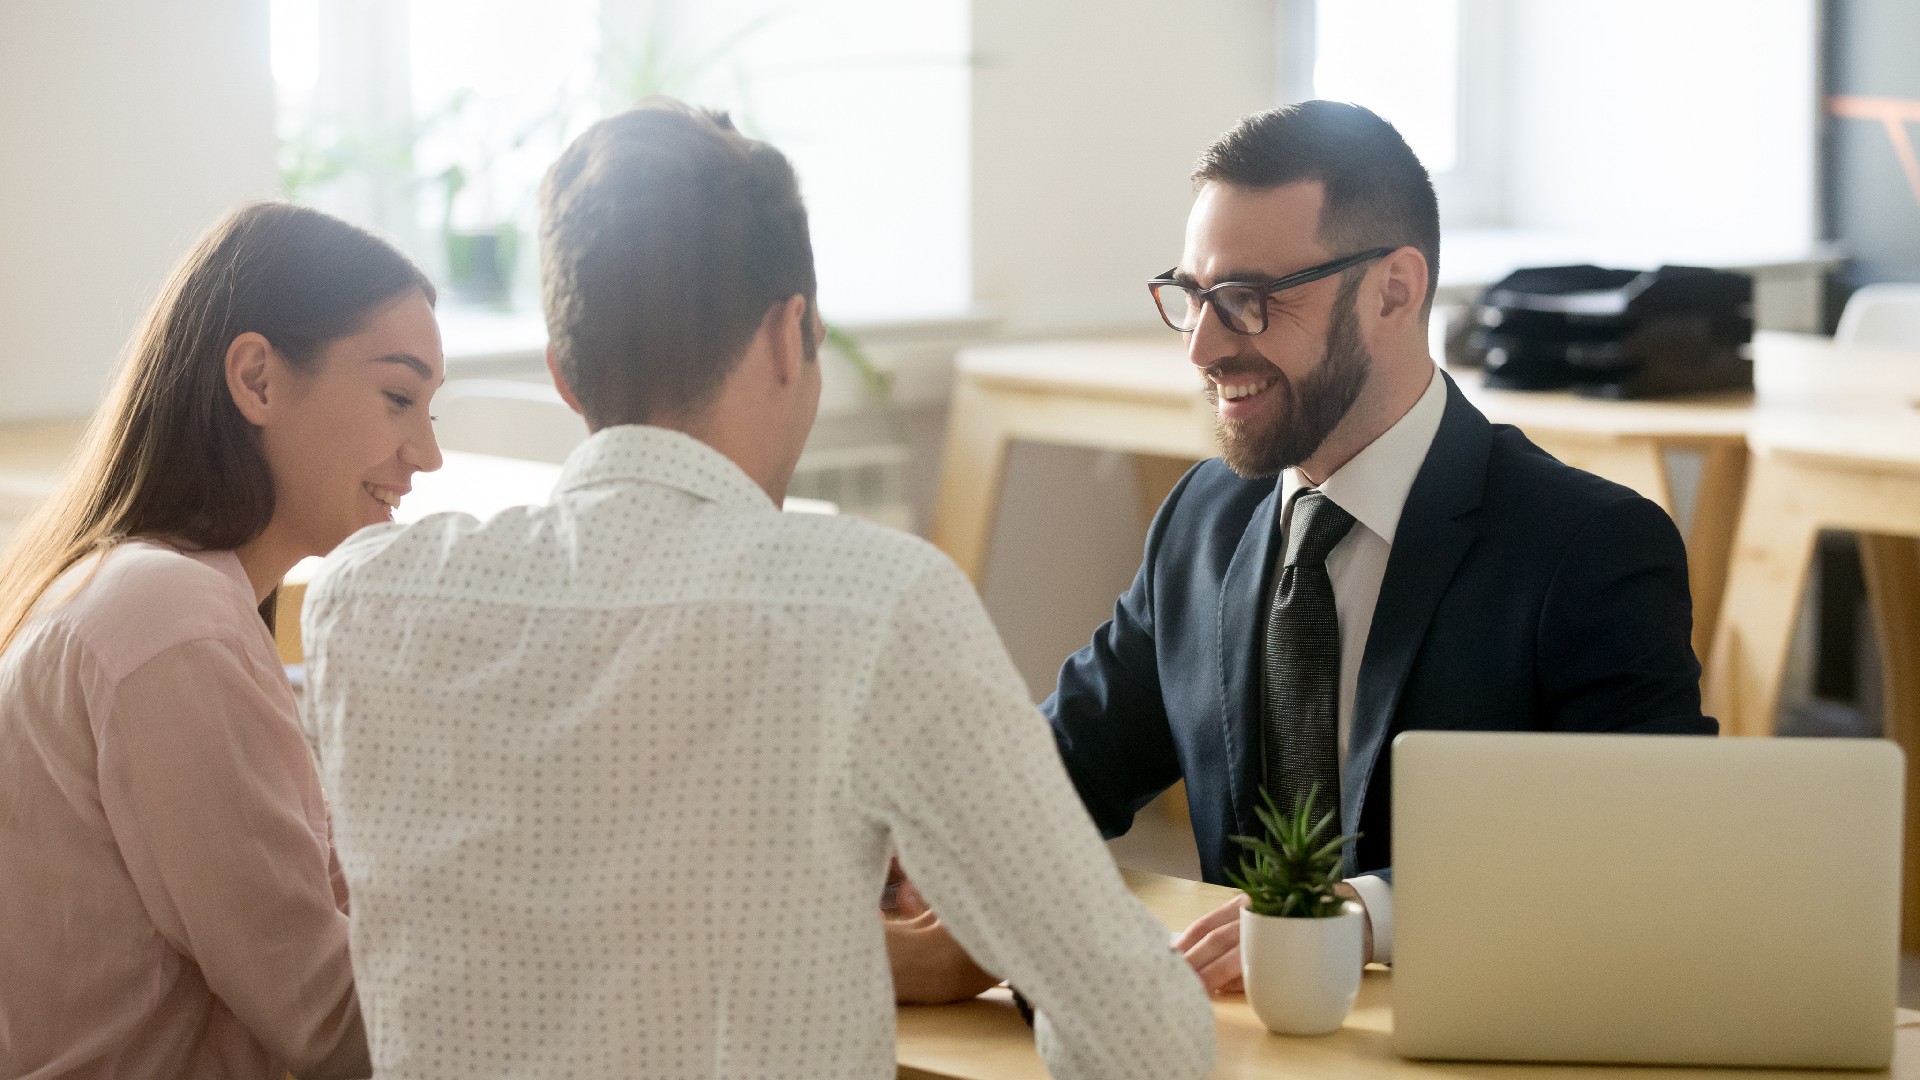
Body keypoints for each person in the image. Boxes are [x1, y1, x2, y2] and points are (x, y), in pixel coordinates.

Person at [301, 100, 1213, 1080]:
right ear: (793, 336)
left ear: (565, 376)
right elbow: (1143, 1040)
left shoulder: (363, 601)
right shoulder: (877, 604)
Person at [897, 100, 1717, 1000]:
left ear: (1394, 292)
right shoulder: (1204, 519)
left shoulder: (1589, 548)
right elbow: (1066, 762)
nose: (1205, 346)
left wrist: (1364, 917)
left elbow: (1646, 848)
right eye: (1194, 296)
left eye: (1247, 301)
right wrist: (914, 854)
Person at [0, 202, 445, 1078]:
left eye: (431, 410)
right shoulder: (172, 621)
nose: (426, 454)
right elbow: (329, 1023)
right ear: (257, 379)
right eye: (399, 396)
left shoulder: (146, 592)